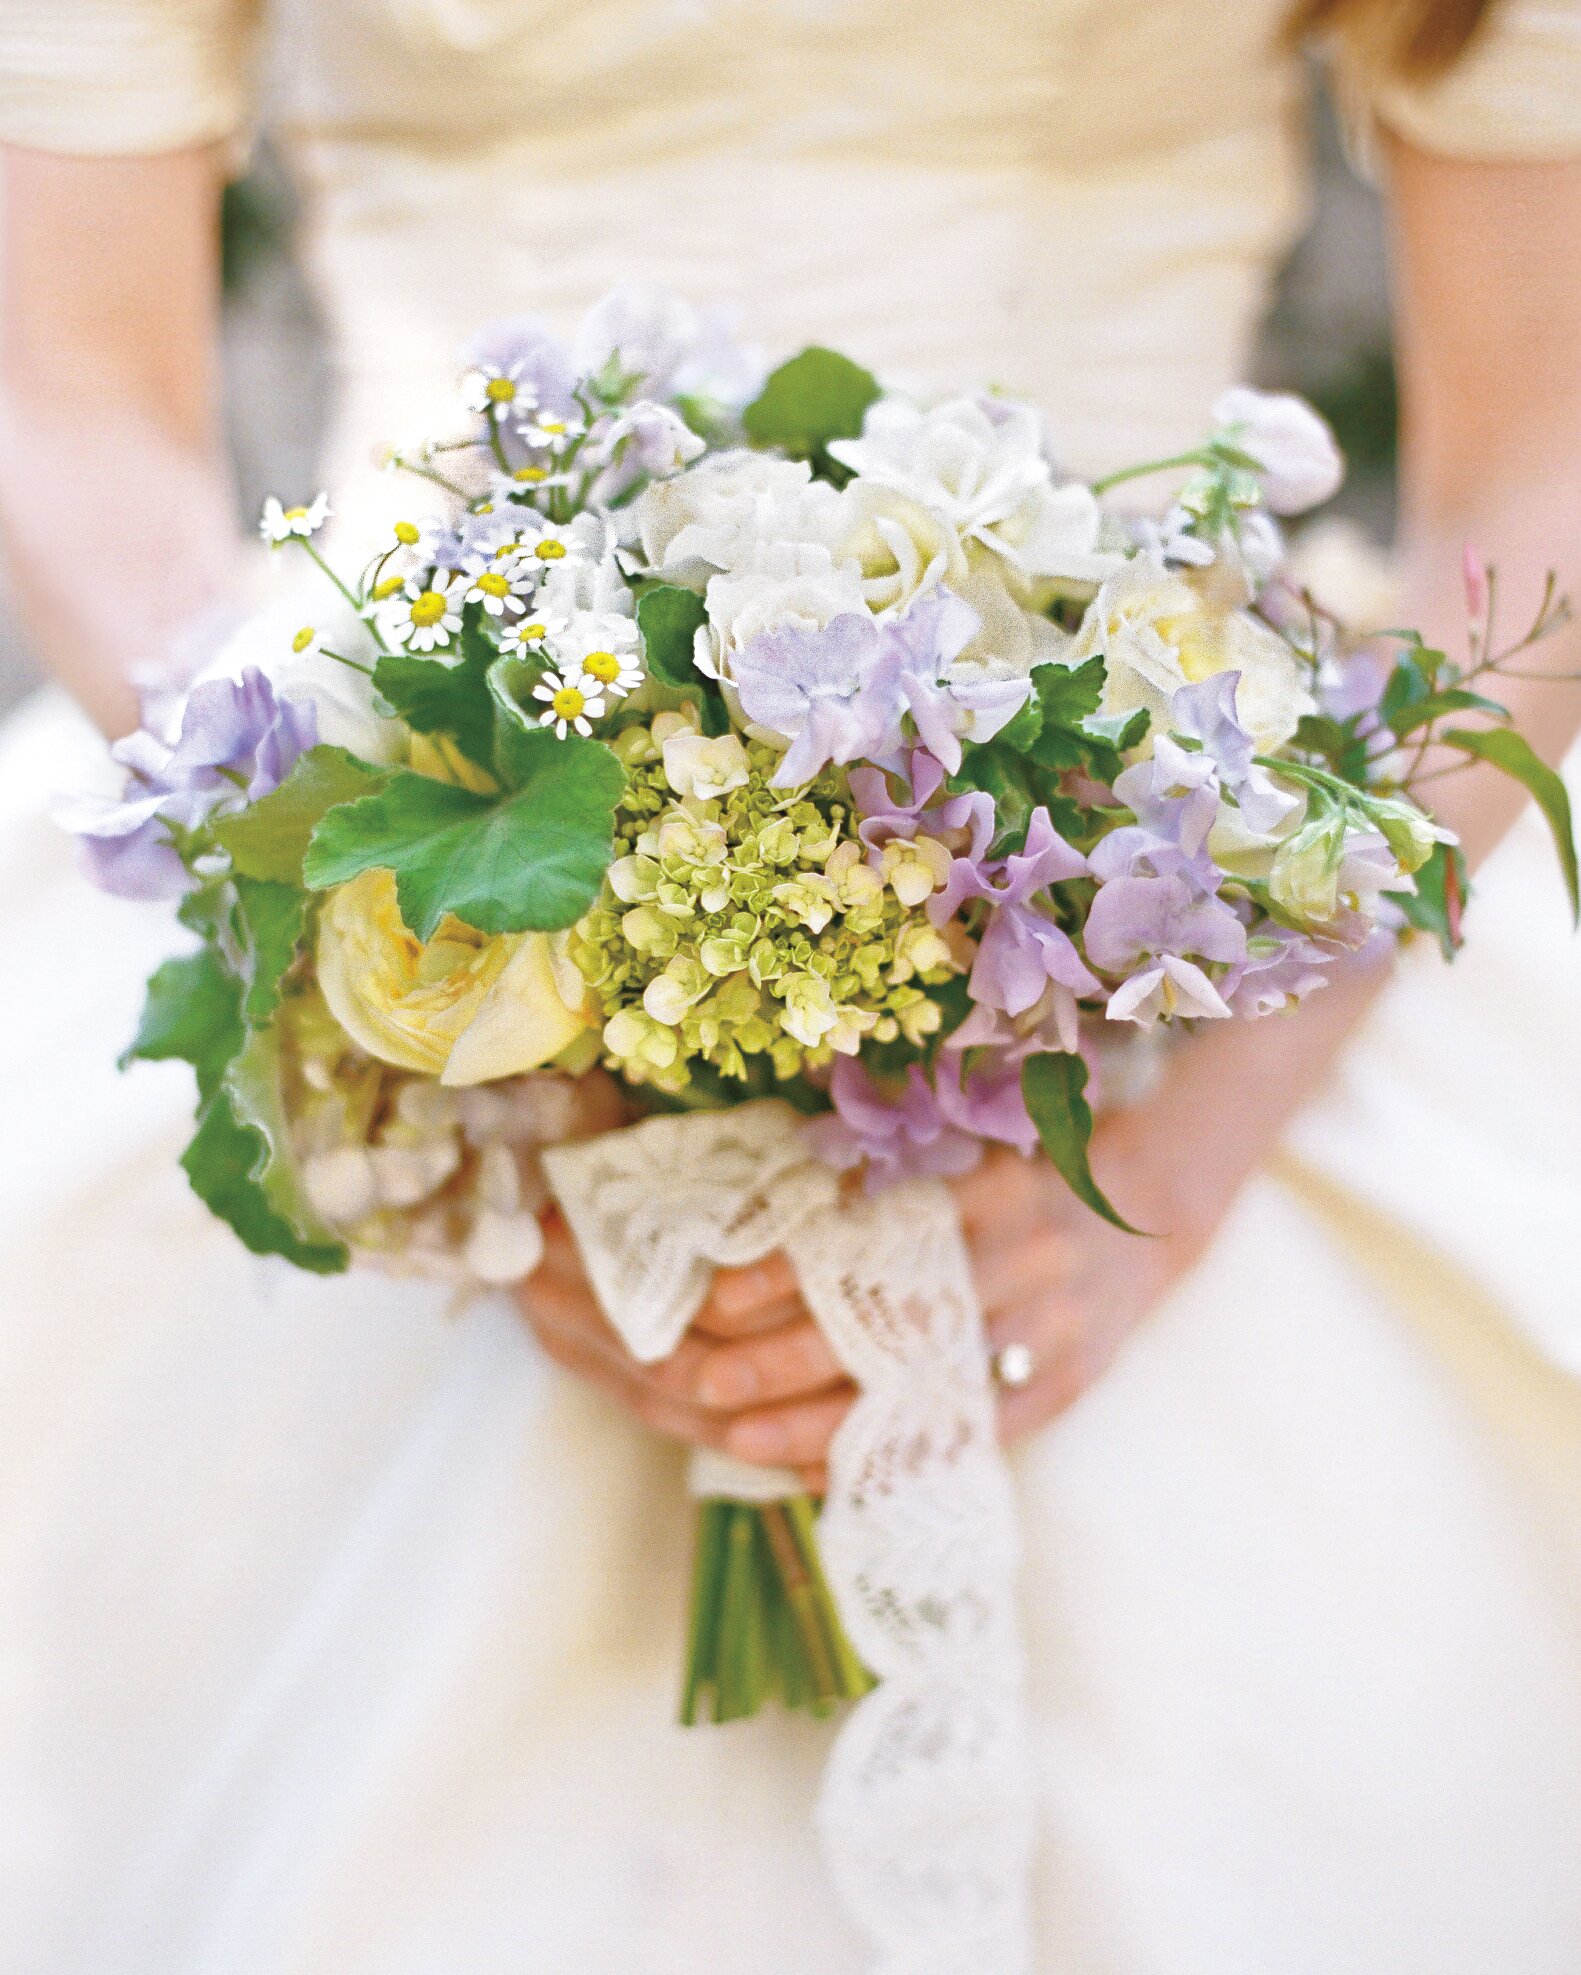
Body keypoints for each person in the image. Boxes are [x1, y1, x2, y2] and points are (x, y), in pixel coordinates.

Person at [3, 1, 1581, 1968]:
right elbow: (73, 411)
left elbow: (1539, 485)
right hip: (438, 823)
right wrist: (478, 1050)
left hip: (1161, 912)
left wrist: (1150, 1183)